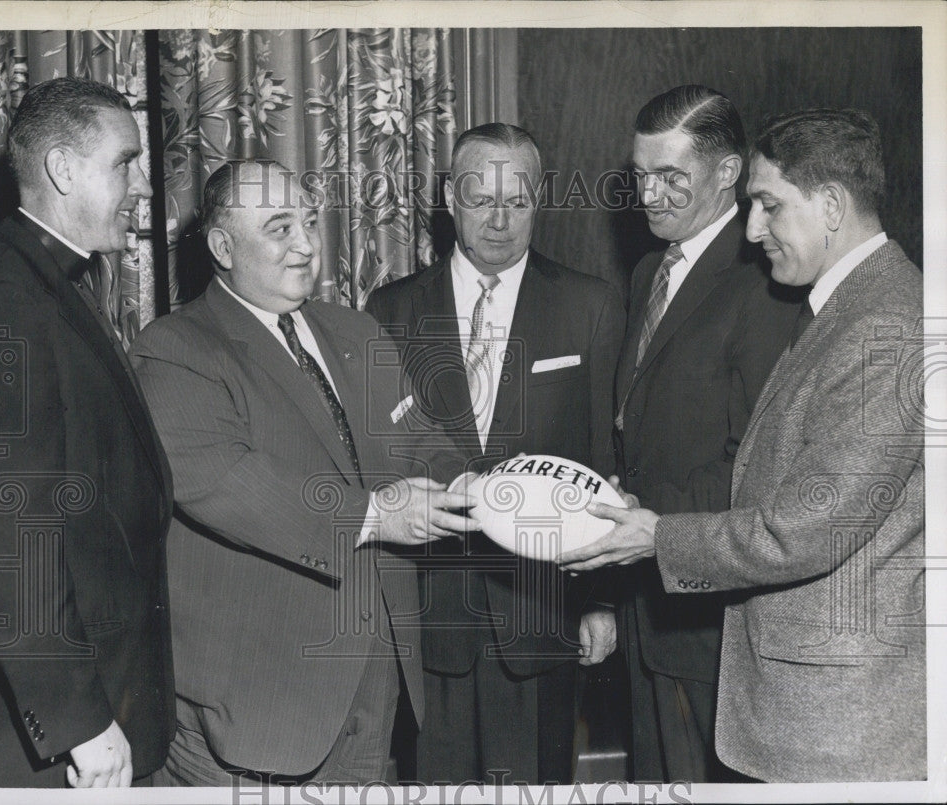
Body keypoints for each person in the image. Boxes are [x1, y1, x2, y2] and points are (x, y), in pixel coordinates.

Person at [558, 108, 925, 783]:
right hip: (807, 704)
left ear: (833, 205)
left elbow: (808, 527)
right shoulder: (845, 308)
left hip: (841, 719)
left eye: (767, 206)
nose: (753, 230)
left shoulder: (887, 326)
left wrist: (658, 537)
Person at [129, 160, 478, 786]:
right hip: (253, 709)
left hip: (371, 684)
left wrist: (482, 487)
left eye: (311, 222)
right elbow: (226, 482)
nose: (308, 245)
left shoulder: (356, 328)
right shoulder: (175, 349)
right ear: (222, 246)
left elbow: (421, 438)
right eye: (280, 227)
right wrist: (375, 515)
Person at [366, 123, 624, 785]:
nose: (500, 219)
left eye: (519, 199)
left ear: (540, 198)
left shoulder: (588, 305)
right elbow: (382, 461)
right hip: (429, 620)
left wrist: (601, 601)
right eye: (482, 198)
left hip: (542, 614)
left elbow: (600, 457)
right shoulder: (390, 310)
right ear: (451, 197)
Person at [0, 77, 174, 787]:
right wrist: (80, 721)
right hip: (64, 742)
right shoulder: (5, 300)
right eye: (126, 162)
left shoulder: (48, 280)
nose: (144, 185)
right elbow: (6, 540)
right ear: (62, 170)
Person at [611, 85, 803, 782]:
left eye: (671, 177)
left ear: (729, 173)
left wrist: (644, 520)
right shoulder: (645, 271)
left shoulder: (767, 282)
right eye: (640, 175)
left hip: (713, 622)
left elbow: (761, 470)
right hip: (647, 609)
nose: (649, 196)